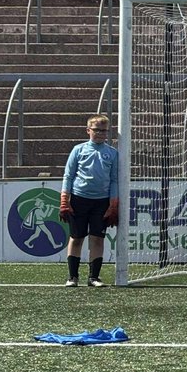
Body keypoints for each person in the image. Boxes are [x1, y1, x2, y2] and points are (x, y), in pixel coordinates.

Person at [60, 115, 119, 287]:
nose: (100, 134)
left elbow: (114, 180)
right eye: (96, 130)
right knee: (76, 237)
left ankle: (94, 277)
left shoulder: (112, 153)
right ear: (88, 131)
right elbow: (68, 175)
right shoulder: (78, 150)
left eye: (104, 131)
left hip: (101, 202)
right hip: (79, 200)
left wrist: (113, 204)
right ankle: (73, 277)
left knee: (97, 238)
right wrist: (65, 199)